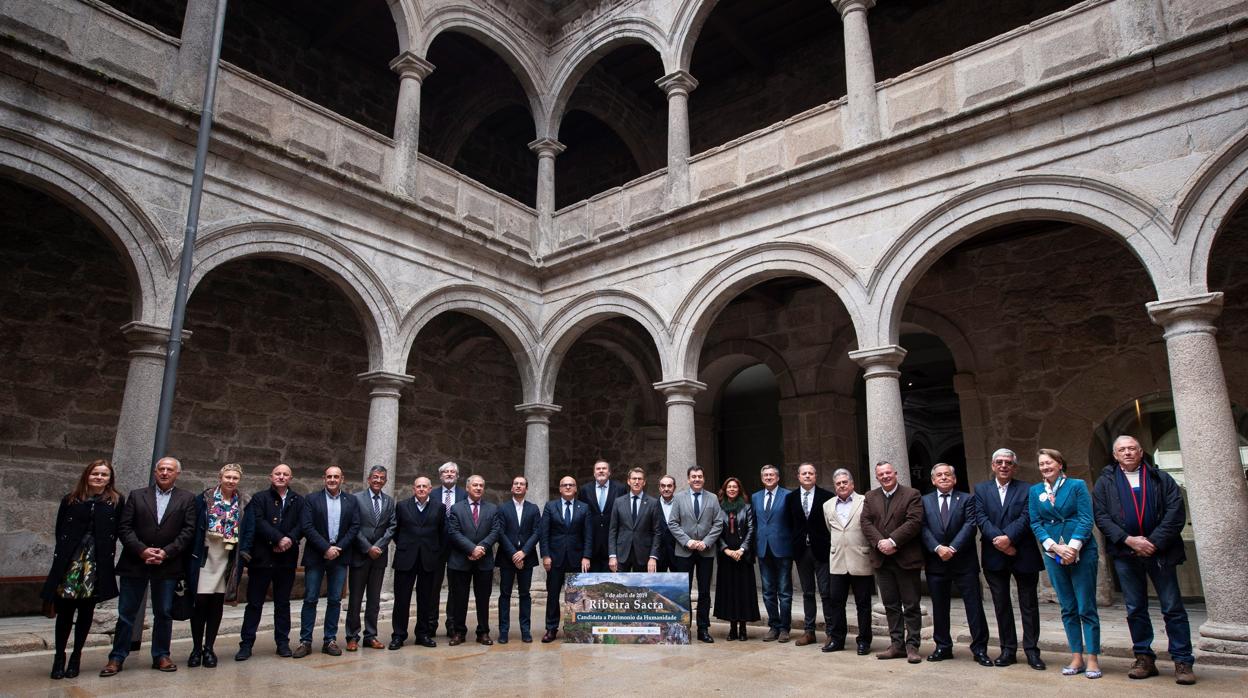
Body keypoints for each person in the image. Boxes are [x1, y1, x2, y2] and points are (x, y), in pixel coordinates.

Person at [1093, 435, 1195, 685]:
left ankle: (1182, 660)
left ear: (1141, 452)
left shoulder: (1161, 478)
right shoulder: (1105, 482)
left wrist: (1153, 542)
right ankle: (1144, 657)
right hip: (1125, 553)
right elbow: (1102, 517)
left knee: (1172, 607)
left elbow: (1175, 511)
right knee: (1135, 608)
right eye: (1122, 450)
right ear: (1115, 455)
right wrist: (1129, 540)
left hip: (1160, 552)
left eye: (1132, 449)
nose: (1127, 453)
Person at [101, 456, 197, 677]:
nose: (164, 473)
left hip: (168, 565)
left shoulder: (187, 498)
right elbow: (124, 527)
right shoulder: (137, 495)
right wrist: (141, 550)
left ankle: (161, 654)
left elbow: (188, 531)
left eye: (169, 470)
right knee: (126, 613)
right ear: (155, 472)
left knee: (164, 612)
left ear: (177, 474)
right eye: (161, 469)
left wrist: (166, 552)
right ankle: (116, 657)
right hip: (135, 562)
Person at [43, 459, 124, 679]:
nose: (99, 478)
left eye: (104, 475)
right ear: (87, 476)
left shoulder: (115, 501)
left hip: (95, 563)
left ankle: (76, 657)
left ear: (110, 479)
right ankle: (59, 657)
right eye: (95, 474)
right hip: (71, 562)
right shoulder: (71, 499)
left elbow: (117, 530)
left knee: (86, 612)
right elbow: (60, 531)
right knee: (65, 613)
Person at [1029, 448, 1100, 679]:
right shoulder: (1035, 491)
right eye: (1041, 464)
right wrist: (1053, 546)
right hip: (1053, 554)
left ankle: (1092, 658)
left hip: (1080, 551)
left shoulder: (1076, 486)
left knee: (1085, 607)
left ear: (1060, 464)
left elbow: (1086, 518)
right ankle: (1076, 655)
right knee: (1067, 607)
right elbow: (1035, 522)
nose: (1045, 467)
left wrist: (1072, 547)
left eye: (1049, 463)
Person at [973, 448, 1045, 669]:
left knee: (1029, 605)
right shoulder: (981, 489)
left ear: (1015, 467)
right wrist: (1000, 541)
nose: (1004, 466)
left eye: (1008, 463)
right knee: (1001, 604)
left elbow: (1027, 515)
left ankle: (1032, 651)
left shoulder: (1027, 489)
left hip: (1022, 553)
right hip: (995, 555)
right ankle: (1008, 650)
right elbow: (981, 517)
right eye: (1000, 462)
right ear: (993, 466)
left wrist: (1009, 539)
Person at [920, 463, 992, 666]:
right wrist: (937, 548)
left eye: (947, 474)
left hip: (963, 562)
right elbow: (923, 527)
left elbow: (970, 525)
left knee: (974, 607)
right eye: (939, 475)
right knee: (940, 607)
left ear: (954, 479)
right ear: (933, 480)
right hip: (936, 562)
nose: (943, 478)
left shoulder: (967, 499)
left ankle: (979, 649)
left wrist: (952, 548)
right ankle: (943, 646)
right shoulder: (924, 501)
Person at [236, 463, 304, 661]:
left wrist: (289, 540)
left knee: (282, 603)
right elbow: (258, 521)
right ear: (270, 476)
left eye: (285, 474)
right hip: (263, 559)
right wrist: (277, 539)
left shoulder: (298, 500)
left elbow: (302, 524)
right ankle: (246, 644)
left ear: (290, 478)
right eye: (278, 474)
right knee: (254, 604)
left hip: (287, 559)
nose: (281, 477)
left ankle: (282, 643)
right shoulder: (259, 499)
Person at [861, 460, 924, 664]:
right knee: (891, 605)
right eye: (881, 474)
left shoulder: (911, 494)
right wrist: (880, 542)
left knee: (911, 605)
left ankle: (912, 645)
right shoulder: (871, 496)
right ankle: (896, 644)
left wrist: (893, 541)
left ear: (895, 473)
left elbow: (914, 521)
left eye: (888, 472)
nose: (885, 476)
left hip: (905, 557)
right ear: (877, 476)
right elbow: (865, 521)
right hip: (882, 559)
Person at [187, 463, 249, 669]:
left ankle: (209, 648)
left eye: (235, 478)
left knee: (216, 605)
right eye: (228, 477)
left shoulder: (243, 502)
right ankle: (196, 648)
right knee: (200, 603)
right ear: (220, 477)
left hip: (227, 558)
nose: (231, 481)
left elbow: (248, 529)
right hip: (205, 557)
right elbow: (193, 525)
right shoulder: (204, 499)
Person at [295, 465, 360, 658]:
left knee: (334, 599)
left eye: (336, 477)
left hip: (340, 556)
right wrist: (326, 548)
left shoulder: (351, 501)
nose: (332, 479)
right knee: (310, 598)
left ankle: (329, 639)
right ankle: (305, 641)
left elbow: (354, 526)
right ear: (324, 478)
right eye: (329, 476)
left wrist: (337, 548)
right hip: (317, 555)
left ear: (342, 479)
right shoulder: (311, 499)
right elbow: (307, 526)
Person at [820, 468, 873, 655]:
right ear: (834, 486)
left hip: (860, 558)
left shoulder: (865, 501)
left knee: (863, 603)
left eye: (845, 482)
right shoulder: (827, 505)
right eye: (838, 483)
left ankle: (864, 641)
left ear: (852, 484)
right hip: (838, 561)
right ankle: (837, 639)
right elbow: (831, 529)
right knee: (836, 602)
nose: (841, 485)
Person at [668, 465, 723, 643]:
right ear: (688, 479)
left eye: (700, 476)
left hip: (706, 552)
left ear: (704, 479)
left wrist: (706, 542)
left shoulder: (713, 498)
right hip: (684, 551)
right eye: (693, 476)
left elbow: (718, 524)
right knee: (683, 592)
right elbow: (673, 523)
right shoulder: (678, 498)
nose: (697, 479)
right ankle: (684, 628)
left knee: (705, 591)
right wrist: (688, 541)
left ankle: (703, 628)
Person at [446, 474, 501, 646]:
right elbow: (454, 532)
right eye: (475, 485)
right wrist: (471, 548)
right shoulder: (456, 508)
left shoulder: (492, 509)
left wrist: (481, 548)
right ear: (468, 488)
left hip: (484, 561)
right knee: (459, 599)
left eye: (481, 486)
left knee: (483, 598)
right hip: (460, 560)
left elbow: (495, 531)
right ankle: (459, 632)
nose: (478, 488)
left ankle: (483, 632)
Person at [390, 476, 445, 649]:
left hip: (429, 560)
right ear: (413, 489)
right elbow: (396, 532)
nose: (421, 489)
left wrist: (433, 551)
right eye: (418, 486)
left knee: (426, 600)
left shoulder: (439, 507)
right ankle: (398, 635)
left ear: (430, 489)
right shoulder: (402, 506)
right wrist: (408, 547)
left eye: (424, 487)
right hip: (406, 559)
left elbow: (443, 533)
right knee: (401, 599)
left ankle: (423, 634)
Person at [346, 465, 396, 652]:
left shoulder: (389, 501)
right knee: (356, 599)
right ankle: (352, 636)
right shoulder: (356, 499)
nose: (378, 480)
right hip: (360, 554)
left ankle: (370, 635)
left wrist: (379, 546)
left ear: (385, 481)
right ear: (369, 479)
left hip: (379, 557)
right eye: (375, 477)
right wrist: (368, 548)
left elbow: (392, 526)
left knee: (374, 600)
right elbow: (354, 526)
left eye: (382, 478)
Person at [784, 462, 832, 647]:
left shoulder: (827, 497)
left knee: (826, 592)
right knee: (807, 593)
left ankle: (830, 631)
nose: (807, 476)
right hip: (801, 552)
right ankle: (809, 631)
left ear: (816, 476)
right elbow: (789, 524)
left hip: (821, 551)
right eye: (804, 473)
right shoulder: (791, 498)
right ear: (798, 476)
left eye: (810, 473)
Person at [539, 476, 591, 642]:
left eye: (571, 485)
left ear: (576, 489)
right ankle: (551, 628)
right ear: (560, 489)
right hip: (554, 559)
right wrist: (545, 555)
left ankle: (575, 628)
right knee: (553, 595)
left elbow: (588, 535)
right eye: (564, 485)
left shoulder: (584, 508)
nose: (568, 487)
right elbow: (544, 533)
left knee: (576, 597)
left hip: (577, 559)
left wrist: (586, 556)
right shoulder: (550, 506)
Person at [496, 474, 541, 643]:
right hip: (507, 557)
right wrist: (514, 554)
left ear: (526, 489)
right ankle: (503, 631)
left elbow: (537, 531)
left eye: (522, 484)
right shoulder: (502, 508)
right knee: (504, 594)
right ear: (511, 488)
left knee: (525, 594)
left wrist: (524, 552)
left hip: (527, 558)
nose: (518, 486)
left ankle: (525, 630)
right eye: (515, 483)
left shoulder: (533, 508)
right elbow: (500, 532)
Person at [713, 476, 759, 640]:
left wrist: (742, 549)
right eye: (729, 487)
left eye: (735, 487)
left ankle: (743, 629)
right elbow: (716, 530)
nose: (732, 489)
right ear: (724, 490)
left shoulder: (747, 507)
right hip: (726, 557)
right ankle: (732, 628)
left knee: (743, 592)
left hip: (743, 557)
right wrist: (725, 549)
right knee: (730, 592)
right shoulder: (718, 508)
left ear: (739, 490)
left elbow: (752, 529)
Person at [751, 464, 793, 643]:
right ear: (762, 478)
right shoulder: (755, 497)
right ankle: (773, 626)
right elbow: (753, 523)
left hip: (782, 548)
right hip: (763, 549)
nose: (768, 477)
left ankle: (785, 628)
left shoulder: (788, 495)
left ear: (778, 477)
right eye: (765, 475)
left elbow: (792, 521)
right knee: (768, 591)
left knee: (784, 591)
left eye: (771, 475)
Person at [433, 461, 466, 637]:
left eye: (453, 472)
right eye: (446, 472)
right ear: (440, 476)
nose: (450, 474)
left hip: (457, 547)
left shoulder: (464, 495)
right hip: (436, 547)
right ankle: (431, 623)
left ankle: (452, 624)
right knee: (433, 586)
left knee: (455, 587)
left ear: (458, 476)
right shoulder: (432, 494)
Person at [608, 467, 662, 573]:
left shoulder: (653, 503)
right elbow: (613, 531)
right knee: (621, 585)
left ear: (644, 482)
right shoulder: (618, 502)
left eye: (640, 479)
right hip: (621, 554)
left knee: (642, 587)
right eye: (634, 479)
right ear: (628, 481)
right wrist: (612, 555)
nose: (637, 482)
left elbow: (657, 532)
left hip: (644, 554)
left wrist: (653, 556)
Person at [578, 459, 627, 572]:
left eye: (604, 468)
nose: (601, 471)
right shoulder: (585, 490)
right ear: (594, 473)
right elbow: (581, 516)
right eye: (598, 469)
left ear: (609, 472)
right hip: (592, 542)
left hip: (612, 543)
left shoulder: (620, 489)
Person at [654, 475, 679, 572]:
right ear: (659, 488)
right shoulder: (652, 505)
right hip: (658, 553)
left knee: (680, 584)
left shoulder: (681, 504)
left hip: (677, 552)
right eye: (663, 486)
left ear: (674, 487)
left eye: (669, 486)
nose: (666, 489)